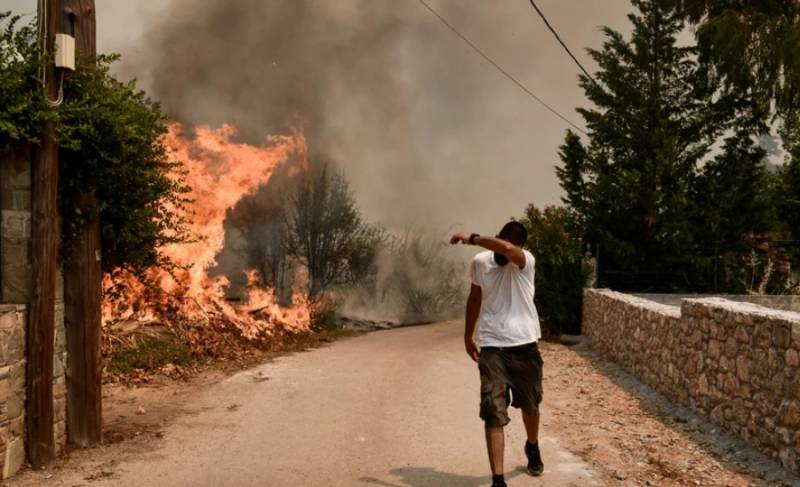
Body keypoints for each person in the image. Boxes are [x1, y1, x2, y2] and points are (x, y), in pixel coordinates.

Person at [450, 221, 544, 487]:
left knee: (531, 405)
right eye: (503, 242)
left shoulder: (525, 261)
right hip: (492, 347)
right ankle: (498, 480)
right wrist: (468, 336)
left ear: (521, 247)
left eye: (512, 246)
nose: (505, 251)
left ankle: (532, 445)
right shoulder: (481, 262)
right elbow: (475, 298)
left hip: (525, 345)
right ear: (498, 236)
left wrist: (470, 237)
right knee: (492, 410)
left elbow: (508, 250)